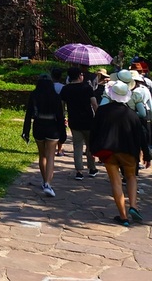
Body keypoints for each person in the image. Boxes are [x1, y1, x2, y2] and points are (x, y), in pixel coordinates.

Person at [90, 80, 152, 226]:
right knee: (131, 177)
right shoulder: (132, 114)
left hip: (109, 151)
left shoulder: (102, 111)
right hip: (129, 151)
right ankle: (133, 206)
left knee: (115, 181)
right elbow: (141, 137)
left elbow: (94, 131)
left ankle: (123, 217)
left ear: (111, 95)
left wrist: (92, 149)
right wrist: (147, 155)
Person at [22, 74, 66, 197]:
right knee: (51, 156)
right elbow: (60, 116)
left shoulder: (34, 95)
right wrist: (62, 134)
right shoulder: (55, 96)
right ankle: (48, 183)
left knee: (42, 155)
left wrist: (25, 131)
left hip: (38, 126)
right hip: (53, 127)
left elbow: (28, 114)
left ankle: (44, 180)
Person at [59, 66, 98, 180]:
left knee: (77, 146)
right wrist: (98, 116)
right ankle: (92, 168)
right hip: (88, 120)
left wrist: (63, 116)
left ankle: (79, 171)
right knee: (90, 145)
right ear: (79, 76)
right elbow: (94, 104)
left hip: (74, 120)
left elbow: (62, 105)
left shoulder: (66, 89)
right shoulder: (87, 87)